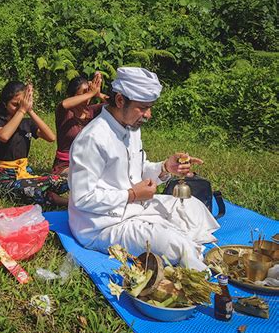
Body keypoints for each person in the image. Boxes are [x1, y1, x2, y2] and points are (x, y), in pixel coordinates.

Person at [68, 67, 220, 271]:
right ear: (120, 100)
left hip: (136, 206)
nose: (148, 115)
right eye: (143, 107)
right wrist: (131, 195)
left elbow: (138, 170)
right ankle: (185, 248)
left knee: (194, 207)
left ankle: (175, 235)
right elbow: (82, 198)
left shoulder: (131, 128)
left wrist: (166, 168)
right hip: (102, 225)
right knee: (175, 245)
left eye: (150, 107)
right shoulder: (92, 139)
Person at [0, 81, 69, 207]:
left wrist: (30, 111)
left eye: (21, 104)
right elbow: (4, 136)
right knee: (30, 189)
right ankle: (58, 200)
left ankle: (54, 198)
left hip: (26, 172)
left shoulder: (27, 123)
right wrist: (21, 110)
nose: (19, 108)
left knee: (63, 181)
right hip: (6, 177)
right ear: (5, 103)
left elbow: (51, 137)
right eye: (15, 105)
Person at [52, 72, 108, 175]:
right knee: (86, 173)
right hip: (65, 165)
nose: (87, 99)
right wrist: (90, 94)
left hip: (87, 162)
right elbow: (64, 104)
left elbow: (113, 105)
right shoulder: (65, 113)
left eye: (88, 93)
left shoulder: (91, 111)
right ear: (72, 96)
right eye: (82, 94)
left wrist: (98, 94)